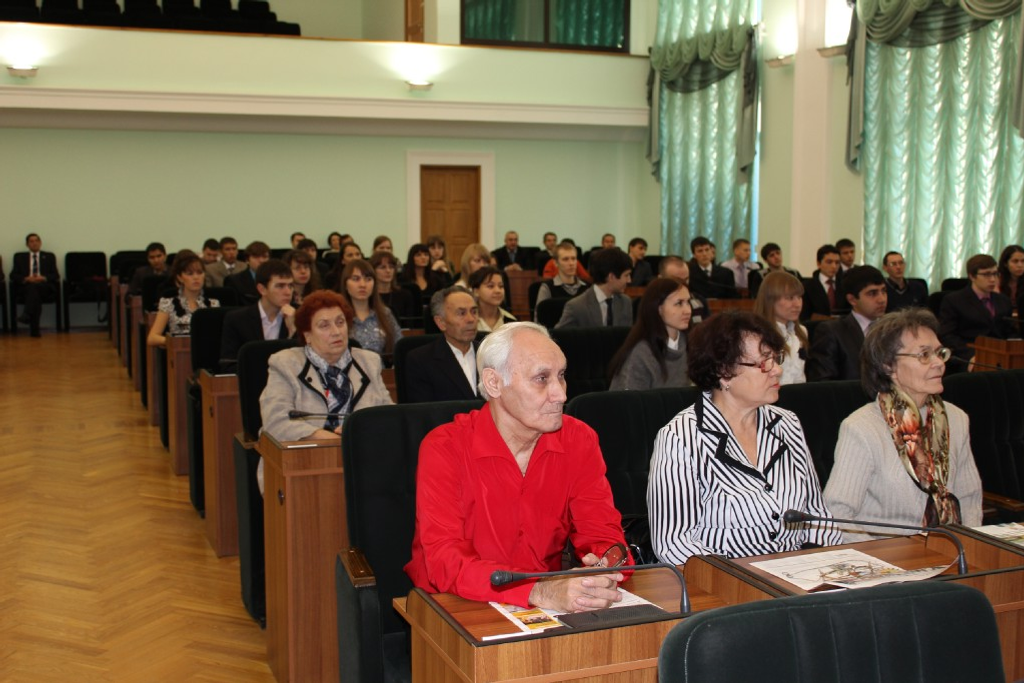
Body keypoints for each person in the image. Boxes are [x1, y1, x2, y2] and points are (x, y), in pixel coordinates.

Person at [405, 322, 630, 609]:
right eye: (541, 378)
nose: (561, 394)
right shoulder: (445, 447)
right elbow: (443, 561)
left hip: (544, 605)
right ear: (494, 383)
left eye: (561, 376)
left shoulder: (578, 439)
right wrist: (538, 591)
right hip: (454, 604)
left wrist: (604, 568)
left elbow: (602, 532)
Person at [647, 311, 842, 564]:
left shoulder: (787, 423)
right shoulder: (680, 438)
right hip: (727, 580)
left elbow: (818, 516)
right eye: (764, 363)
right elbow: (673, 543)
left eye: (776, 359)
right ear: (724, 371)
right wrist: (743, 580)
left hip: (798, 573)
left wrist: (819, 570)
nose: (777, 370)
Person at [824, 308, 983, 542]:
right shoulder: (862, 427)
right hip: (885, 556)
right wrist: (880, 558)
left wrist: (970, 549)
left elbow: (969, 497)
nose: (939, 363)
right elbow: (838, 514)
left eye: (940, 353)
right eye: (924, 355)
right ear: (889, 366)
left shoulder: (956, 418)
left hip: (951, 548)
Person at [806, 266, 889, 382]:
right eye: (872, 293)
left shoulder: (893, 329)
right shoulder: (832, 332)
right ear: (852, 299)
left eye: (883, 291)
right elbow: (823, 383)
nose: (882, 299)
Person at [608, 277, 692, 390]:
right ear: (659, 308)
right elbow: (631, 399)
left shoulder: (692, 345)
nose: (688, 311)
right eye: (679, 303)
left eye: (688, 302)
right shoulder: (641, 353)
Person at [403, 287, 481, 402]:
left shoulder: (491, 354)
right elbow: (423, 410)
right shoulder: (421, 361)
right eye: (461, 313)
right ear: (441, 322)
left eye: (474, 312)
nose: (471, 319)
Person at [219, 259, 296, 373]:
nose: (288, 292)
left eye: (290, 286)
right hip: (251, 382)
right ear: (262, 289)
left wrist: (292, 332)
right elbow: (228, 365)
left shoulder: (300, 318)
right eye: (280, 286)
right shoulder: (237, 319)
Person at [939, 254, 1014, 366]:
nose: (993, 279)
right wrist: (971, 355)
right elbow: (947, 336)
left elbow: (1010, 331)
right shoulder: (954, 300)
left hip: (1001, 356)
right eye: (986, 274)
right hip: (968, 356)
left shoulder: (1003, 301)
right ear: (972, 276)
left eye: (995, 274)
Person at [147, 250, 219, 346]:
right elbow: (152, 338)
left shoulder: (213, 304)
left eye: (199, 272)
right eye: (190, 274)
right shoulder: (168, 303)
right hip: (179, 351)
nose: (196, 277)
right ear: (180, 277)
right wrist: (174, 342)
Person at [753, 271, 809, 385]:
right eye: (790, 298)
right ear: (770, 300)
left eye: (799, 297)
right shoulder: (756, 334)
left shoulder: (801, 331)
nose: (797, 304)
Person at [555, 248, 632, 328]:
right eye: (626, 275)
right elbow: (557, 335)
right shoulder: (576, 306)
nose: (629, 280)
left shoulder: (625, 302)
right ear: (611, 277)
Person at [339, 258, 400, 357]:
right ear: (345, 284)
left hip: (381, 366)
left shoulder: (385, 313)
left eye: (368, 279)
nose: (362, 285)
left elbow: (400, 346)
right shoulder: (338, 316)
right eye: (356, 279)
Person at [11, 232, 60, 337]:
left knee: (34, 290)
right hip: (26, 287)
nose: (34, 243)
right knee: (34, 294)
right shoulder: (19, 257)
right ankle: (34, 330)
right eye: (31, 241)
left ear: (40, 243)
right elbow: (13, 275)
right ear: (27, 244)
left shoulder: (49, 256)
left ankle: (27, 315)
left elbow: (55, 275)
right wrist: (26, 279)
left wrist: (43, 278)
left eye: (37, 241)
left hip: (44, 287)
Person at [534, 241, 589, 318]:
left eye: (573, 259)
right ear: (556, 263)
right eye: (565, 259)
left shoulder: (587, 288)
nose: (571, 263)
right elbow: (539, 318)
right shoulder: (547, 288)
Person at [801, 244, 848, 319]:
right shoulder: (807, 287)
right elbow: (805, 316)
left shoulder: (845, 285)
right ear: (818, 263)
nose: (834, 266)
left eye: (837, 262)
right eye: (829, 262)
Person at [372, 251, 417, 326]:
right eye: (383, 267)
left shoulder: (405, 295)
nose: (388, 271)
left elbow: (410, 325)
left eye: (391, 267)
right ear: (373, 270)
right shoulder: (369, 296)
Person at [470, 266, 517, 332]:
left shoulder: (510, 321)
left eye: (501, 286)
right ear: (476, 291)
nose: (498, 291)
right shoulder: (469, 319)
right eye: (491, 286)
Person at [225, 240, 270, 305]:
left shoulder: (274, 279)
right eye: (256, 257)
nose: (261, 260)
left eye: (264, 257)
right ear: (247, 260)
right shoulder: (234, 281)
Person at [997, 244, 1024, 312]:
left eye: (1023, 261)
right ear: (1005, 263)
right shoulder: (996, 279)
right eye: (1015, 261)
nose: (1020, 265)